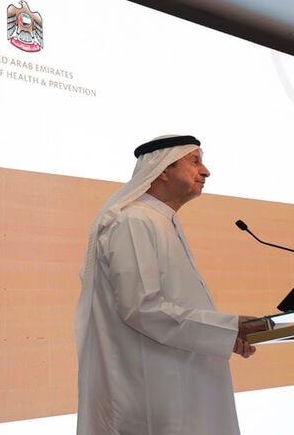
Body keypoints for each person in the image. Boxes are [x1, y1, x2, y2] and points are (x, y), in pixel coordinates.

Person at [75, 135, 264, 434]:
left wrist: (226, 334)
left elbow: (179, 303)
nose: (205, 171)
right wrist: (228, 327)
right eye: (195, 161)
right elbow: (141, 308)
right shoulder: (134, 221)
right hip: (157, 388)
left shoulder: (163, 220)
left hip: (185, 379)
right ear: (163, 168)